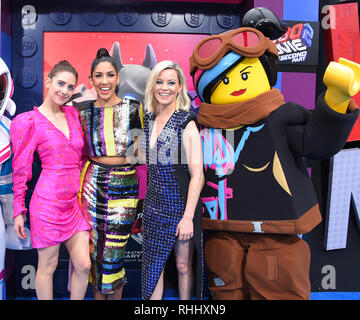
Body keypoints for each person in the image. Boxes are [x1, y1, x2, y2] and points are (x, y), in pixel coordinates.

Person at [11, 60, 91, 300]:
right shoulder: (30, 122)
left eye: (70, 86)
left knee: (84, 264)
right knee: (48, 266)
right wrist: (18, 210)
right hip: (46, 205)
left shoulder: (73, 114)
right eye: (60, 83)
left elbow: (81, 155)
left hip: (74, 205)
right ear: (47, 82)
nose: (64, 91)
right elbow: (21, 168)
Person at [76, 48, 142, 300]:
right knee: (95, 253)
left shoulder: (134, 108)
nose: (104, 81)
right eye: (98, 76)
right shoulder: (81, 111)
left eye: (109, 75)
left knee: (114, 255)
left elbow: (139, 156)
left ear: (117, 78)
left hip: (124, 187)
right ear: (91, 79)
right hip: (91, 186)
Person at [141, 60, 204, 300]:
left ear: (179, 87)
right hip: (153, 208)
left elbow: (197, 176)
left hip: (180, 208)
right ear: (152, 85)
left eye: (170, 82)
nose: (164, 87)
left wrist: (187, 218)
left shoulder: (186, 123)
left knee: (183, 266)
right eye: (159, 81)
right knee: (152, 270)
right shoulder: (147, 121)